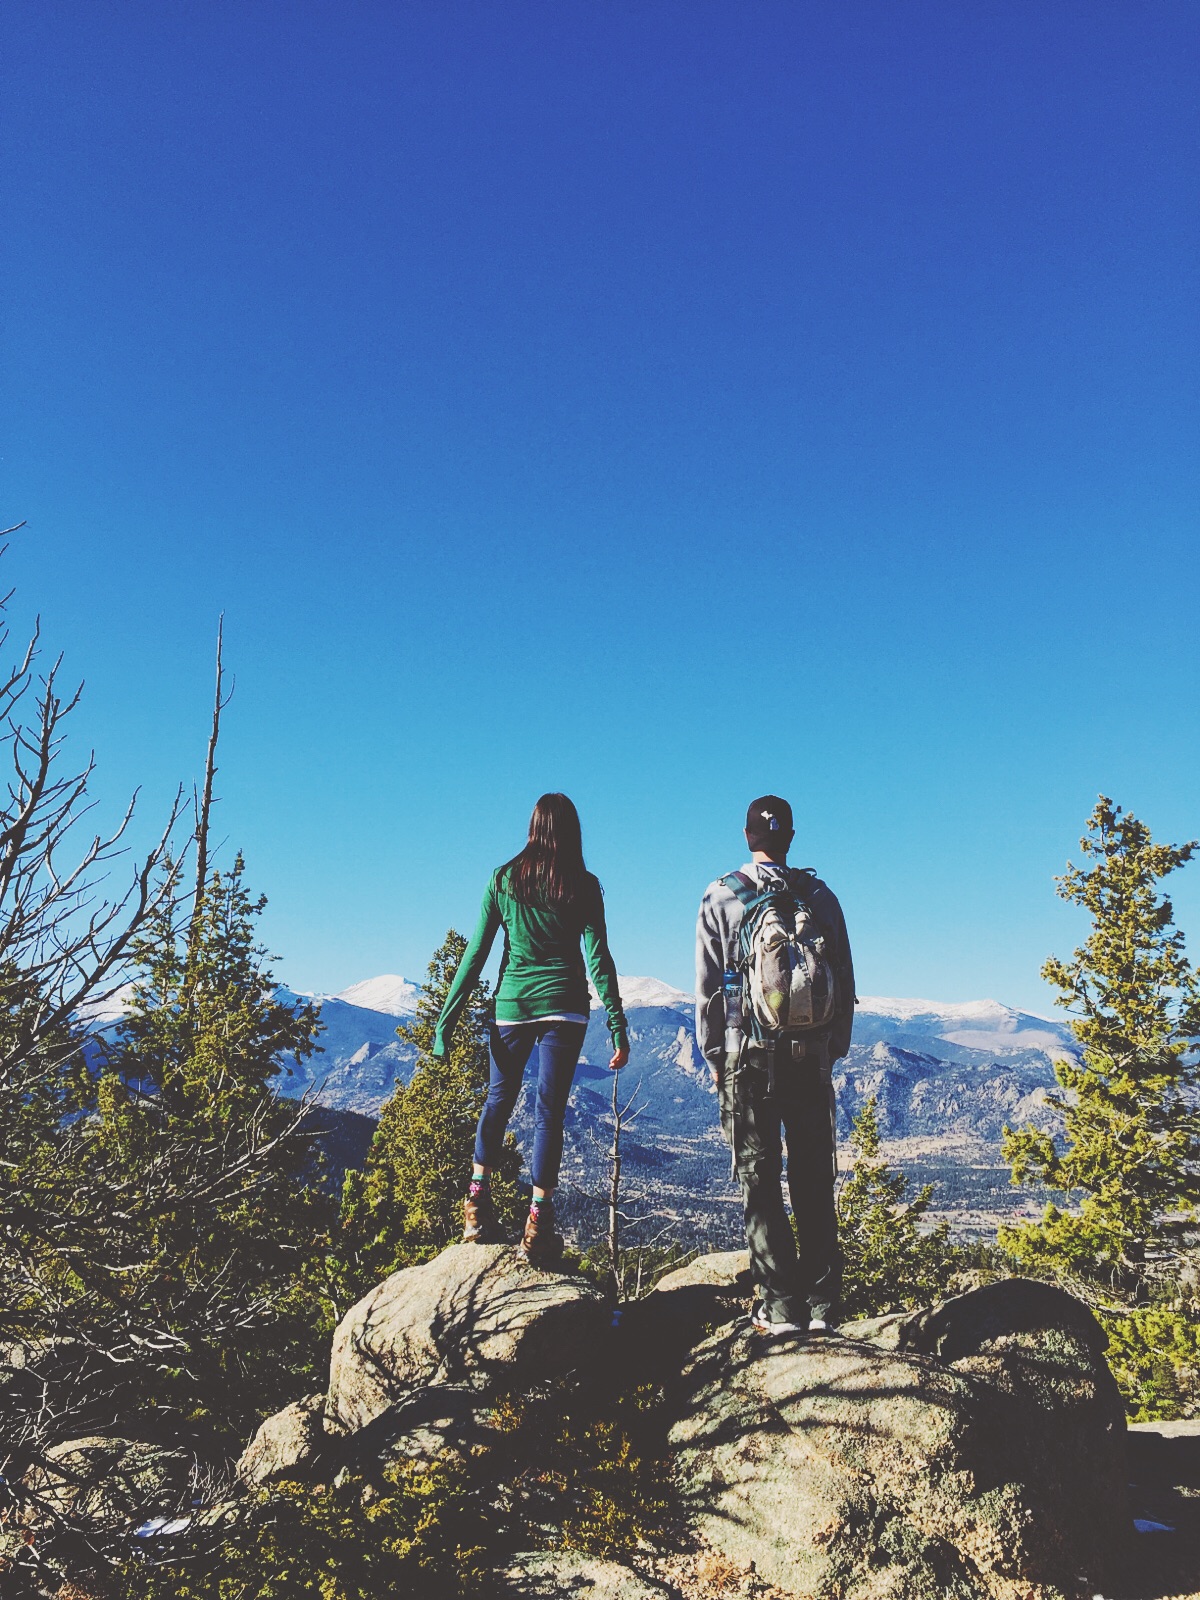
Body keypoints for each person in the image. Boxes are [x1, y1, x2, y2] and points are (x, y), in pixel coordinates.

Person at [433, 793, 629, 1266]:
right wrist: (617, 1024)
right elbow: (598, 958)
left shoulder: (503, 879)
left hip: (513, 1004)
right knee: (549, 1114)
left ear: (532, 827)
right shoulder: (583, 885)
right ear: (572, 832)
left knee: (498, 1100)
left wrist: (445, 1023)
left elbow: (476, 953)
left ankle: (476, 1205)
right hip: (566, 1005)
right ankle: (538, 1224)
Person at [695, 795, 854, 1336]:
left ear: (747, 837)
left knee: (759, 1178)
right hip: (811, 1059)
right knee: (814, 1177)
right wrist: (831, 1050)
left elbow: (708, 990)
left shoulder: (721, 895)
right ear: (790, 838)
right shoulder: (821, 897)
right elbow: (844, 979)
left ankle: (780, 1307)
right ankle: (823, 1305)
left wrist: (715, 1057)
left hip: (748, 1058)